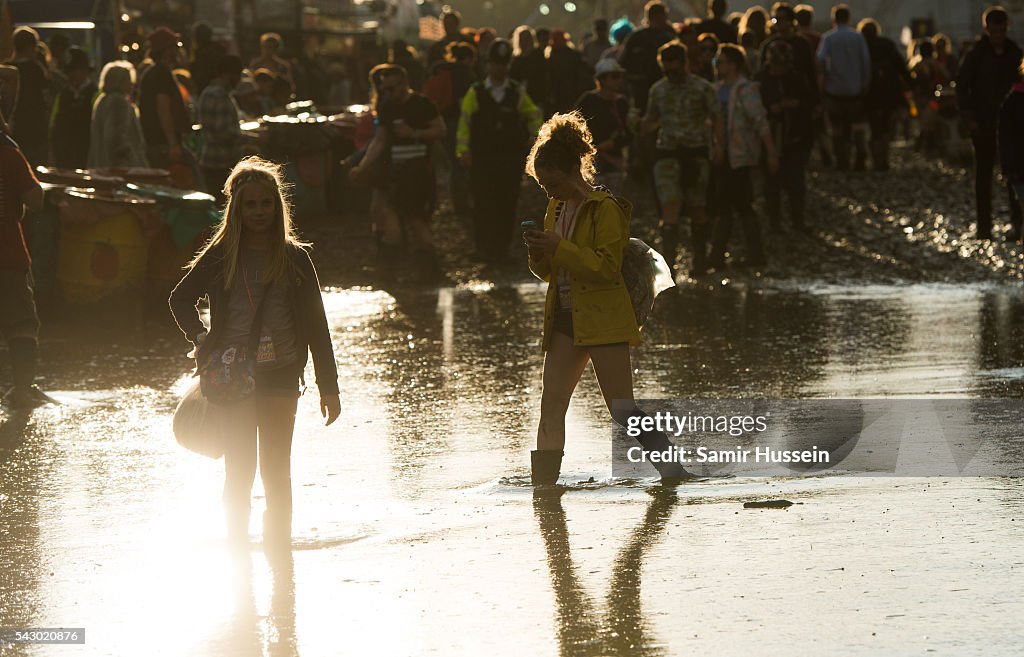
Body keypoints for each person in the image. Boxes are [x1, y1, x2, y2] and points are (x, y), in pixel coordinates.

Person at [168, 157, 341, 550]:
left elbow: (317, 326)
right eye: (251, 205)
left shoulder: (295, 257)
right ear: (237, 209)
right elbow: (179, 299)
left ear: (278, 207)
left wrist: (328, 387)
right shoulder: (221, 255)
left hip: (282, 375)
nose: (259, 211)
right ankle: (237, 553)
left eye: (267, 204)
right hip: (233, 379)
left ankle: (279, 554)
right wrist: (201, 336)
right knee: (240, 470)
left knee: (277, 471)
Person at [521, 111, 690, 484]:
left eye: (551, 183)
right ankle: (544, 490)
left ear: (571, 172)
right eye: (542, 185)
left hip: (603, 318)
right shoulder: (556, 208)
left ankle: (674, 473)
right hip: (564, 316)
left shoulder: (606, 208)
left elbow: (605, 268)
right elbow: (552, 273)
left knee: (621, 409)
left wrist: (559, 247)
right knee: (551, 407)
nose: (548, 192)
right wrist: (540, 254)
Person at [349, 64, 446, 278]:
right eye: (385, 89)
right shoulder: (388, 107)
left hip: (419, 172)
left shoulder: (423, 104)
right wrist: (362, 166)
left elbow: (440, 130)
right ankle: (392, 267)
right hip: (396, 172)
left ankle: (426, 268)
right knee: (387, 213)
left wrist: (414, 133)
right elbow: (379, 140)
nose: (388, 93)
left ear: (404, 84)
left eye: (392, 88)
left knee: (416, 219)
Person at [641, 40, 723, 277]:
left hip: (696, 154)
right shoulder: (658, 89)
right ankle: (670, 268)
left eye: (674, 65)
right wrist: (638, 124)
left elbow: (717, 116)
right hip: (667, 155)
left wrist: (719, 146)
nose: (670, 71)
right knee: (670, 208)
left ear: (684, 63)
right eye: (666, 66)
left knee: (698, 207)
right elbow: (651, 120)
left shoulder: (702, 87)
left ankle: (699, 262)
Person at [456, 38, 543, 263]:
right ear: (488, 65)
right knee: (482, 201)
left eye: (503, 64)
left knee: (507, 202)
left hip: (509, 158)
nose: (499, 68)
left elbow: (533, 115)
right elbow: (464, 124)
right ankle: (483, 248)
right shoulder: (474, 92)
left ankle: (502, 249)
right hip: (482, 158)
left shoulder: (517, 91)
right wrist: (463, 151)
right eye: (495, 63)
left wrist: (536, 139)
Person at [708, 44, 779, 269]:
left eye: (721, 62)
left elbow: (760, 121)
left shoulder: (745, 89)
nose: (717, 66)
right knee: (727, 202)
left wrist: (770, 152)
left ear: (733, 64)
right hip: (722, 154)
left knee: (740, 202)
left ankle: (745, 255)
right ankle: (723, 256)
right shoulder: (717, 89)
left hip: (741, 155)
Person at [956, 6, 1023, 240]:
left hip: (1012, 127)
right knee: (983, 177)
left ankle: (1018, 226)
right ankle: (984, 227)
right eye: (994, 30)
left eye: (1001, 30)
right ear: (987, 29)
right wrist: (970, 119)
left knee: (1014, 176)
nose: (997, 34)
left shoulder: (1014, 53)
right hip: (983, 123)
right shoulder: (976, 55)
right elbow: (962, 88)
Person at [0, 124, 47, 408]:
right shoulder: (8, 154)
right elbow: (36, 199)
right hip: (6, 255)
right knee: (21, 323)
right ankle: (21, 389)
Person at [758, 39, 813, 231]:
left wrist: (794, 104)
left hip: (794, 138)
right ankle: (775, 222)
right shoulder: (762, 81)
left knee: (795, 182)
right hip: (770, 138)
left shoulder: (797, 79)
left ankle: (798, 220)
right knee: (771, 183)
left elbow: (809, 103)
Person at [816, 4, 870, 171]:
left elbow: (820, 60)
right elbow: (865, 62)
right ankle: (860, 155)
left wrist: (824, 78)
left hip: (835, 89)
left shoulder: (828, 38)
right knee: (857, 125)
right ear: (848, 18)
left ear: (834, 19)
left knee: (837, 126)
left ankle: (841, 159)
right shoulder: (858, 37)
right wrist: (864, 83)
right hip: (855, 89)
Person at [424, 41, 477, 214]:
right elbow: (465, 103)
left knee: (453, 164)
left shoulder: (442, 71)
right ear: (469, 58)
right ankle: (462, 204)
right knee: (461, 164)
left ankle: (456, 201)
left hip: (442, 120)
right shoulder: (464, 74)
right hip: (457, 122)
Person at [574, 58, 631, 194]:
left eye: (620, 76)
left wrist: (614, 143)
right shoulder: (588, 101)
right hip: (591, 159)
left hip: (615, 159)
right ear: (602, 79)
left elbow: (630, 131)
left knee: (613, 201)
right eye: (614, 77)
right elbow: (575, 126)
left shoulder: (621, 103)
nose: (619, 80)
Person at [138, 27, 192, 170]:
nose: (178, 51)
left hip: (157, 144)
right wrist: (173, 144)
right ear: (167, 50)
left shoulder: (151, 73)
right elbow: (163, 108)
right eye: (176, 46)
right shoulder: (162, 74)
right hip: (164, 146)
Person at [859, 19, 910, 171]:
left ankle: (875, 158)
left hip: (869, 92)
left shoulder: (861, 46)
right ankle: (884, 158)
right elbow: (901, 66)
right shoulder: (887, 44)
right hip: (889, 92)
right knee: (887, 127)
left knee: (874, 128)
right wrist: (910, 83)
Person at [197, 54, 245, 205]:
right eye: (238, 75)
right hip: (221, 162)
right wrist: (250, 138)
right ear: (229, 74)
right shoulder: (220, 96)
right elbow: (222, 133)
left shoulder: (207, 92)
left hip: (210, 159)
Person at [619, 0, 677, 115]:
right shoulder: (637, 37)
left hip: (664, 87)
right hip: (641, 88)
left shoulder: (669, 37)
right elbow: (623, 63)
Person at [89, 62, 148, 168]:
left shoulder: (102, 101)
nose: (131, 84)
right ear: (120, 81)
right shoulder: (119, 102)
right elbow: (117, 137)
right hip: (122, 167)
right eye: (128, 80)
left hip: (102, 163)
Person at [5, 27, 51, 167]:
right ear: (31, 46)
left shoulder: (6, 68)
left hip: (10, 128)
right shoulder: (36, 70)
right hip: (34, 129)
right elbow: (46, 98)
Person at [50, 47, 97, 170]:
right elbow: (55, 124)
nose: (70, 75)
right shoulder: (63, 94)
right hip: (65, 156)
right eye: (68, 71)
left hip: (87, 155)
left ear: (85, 71)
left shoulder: (95, 94)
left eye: (74, 70)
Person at [909, 39, 949, 155]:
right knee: (931, 122)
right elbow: (947, 75)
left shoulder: (917, 64)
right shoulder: (935, 64)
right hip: (934, 97)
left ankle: (923, 145)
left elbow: (910, 79)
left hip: (920, 97)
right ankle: (929, 146)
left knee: (925, 122)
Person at [999, 60, 1024, 241]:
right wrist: (1007, 166)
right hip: (1019, 165)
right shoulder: (1013, 101)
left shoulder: (1013, 100)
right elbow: (1006, 137)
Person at [510, 26, 548, 117]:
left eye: (527, 39)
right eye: (522, 39)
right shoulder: (516, 59)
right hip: (519, 98)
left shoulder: (538, 56)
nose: (525, 42)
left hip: (536, 96)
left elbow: (544, 78)